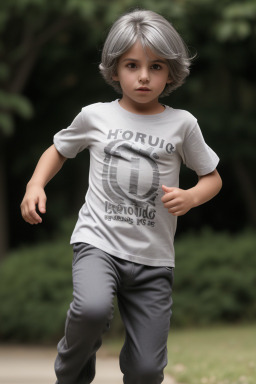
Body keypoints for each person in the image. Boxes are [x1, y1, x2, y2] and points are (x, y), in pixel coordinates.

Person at [20, 9, 222, 384]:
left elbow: (212, 177)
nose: (144, 76)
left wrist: (192, 196)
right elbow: (58, 150)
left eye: (156, 66)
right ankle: (70, 373)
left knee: (147, 370)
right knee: (91, 309)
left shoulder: (183, 124)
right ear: (115, 69)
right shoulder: (95, 116)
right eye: (132, 65)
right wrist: (35, 185)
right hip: (98, 242)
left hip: (153, 259)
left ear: (171, 72)